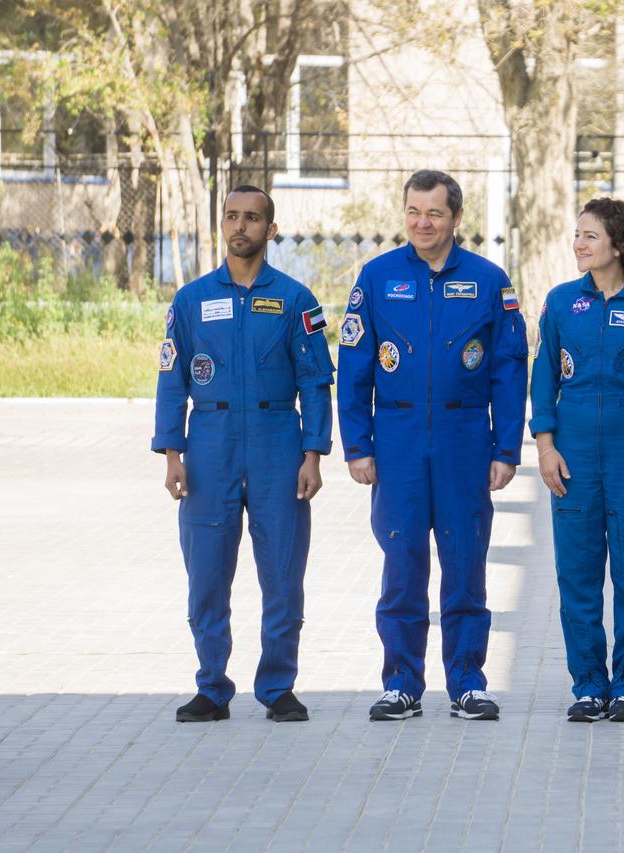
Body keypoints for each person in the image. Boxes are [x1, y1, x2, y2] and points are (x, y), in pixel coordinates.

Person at [337, 169, 528, 722]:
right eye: (413, 212)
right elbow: (354, 367)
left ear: (456, 218)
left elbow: (509, 371)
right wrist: (357, 444)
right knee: (402, 561)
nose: (423, 223)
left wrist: (505, 449)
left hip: (464, 438)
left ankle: (467, 681)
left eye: (435, 213)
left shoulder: (490, 282)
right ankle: (401, 682)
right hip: (396, 440)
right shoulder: (376, 278)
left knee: (465, 561)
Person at [153, 186, 334, 723]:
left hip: (278, 441)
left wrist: (313, 453)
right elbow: (171, 379)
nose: (241, 226)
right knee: (206, 573)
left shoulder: (298, 300)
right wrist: (171, 452)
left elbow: (316, 381)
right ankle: (212, 686)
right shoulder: (190, 300)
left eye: (252, 218)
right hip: (211, 443)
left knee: (282, 570)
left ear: (270, 230)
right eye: (232, 216)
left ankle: (278, 686)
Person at [529, 198, 624, 723]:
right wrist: (546, 447)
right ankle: (589, 684)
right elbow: (545, 377)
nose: (579, 244)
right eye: (577, 235)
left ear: (618, 245)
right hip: (572, 454)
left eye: (590, 236)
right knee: (577, 575)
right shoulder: (561, 302)